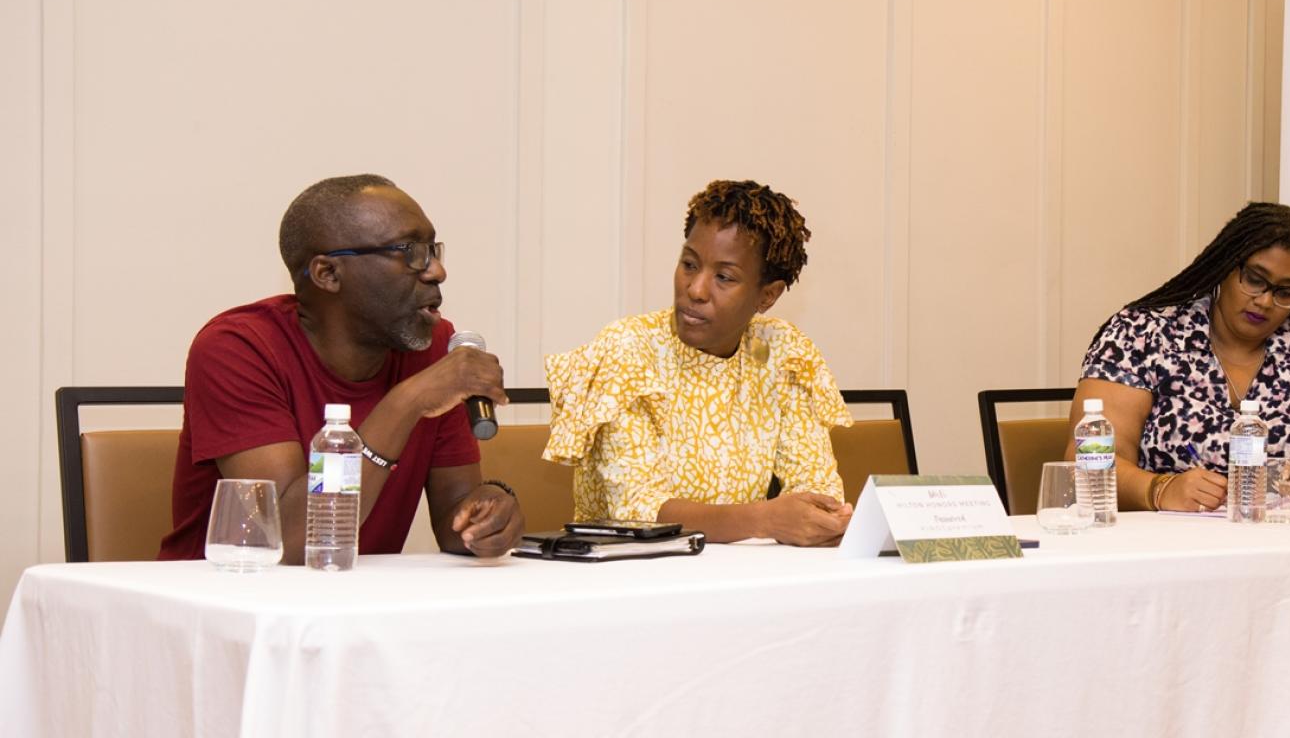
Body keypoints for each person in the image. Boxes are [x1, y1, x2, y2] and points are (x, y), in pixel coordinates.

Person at [159, 174, 525, 561]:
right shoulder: (238, 348)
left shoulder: (432, 346)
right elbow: (284, 541)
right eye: (410, 252)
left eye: (433, 250)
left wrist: (487, 515)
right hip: (224, 602)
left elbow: (455, 511)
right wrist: (410, 400)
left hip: (354, 603)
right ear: (328, 274)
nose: (436, 271)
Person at [544, 180, 853, 546]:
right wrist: (764, 519)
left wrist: (818, 518)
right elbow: (637, 509)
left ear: (767, 295)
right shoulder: (627, 351)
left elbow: (814, 485)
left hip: (741, 575)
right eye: (689, 264)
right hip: (629, 575)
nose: (696, 290)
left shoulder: (783, 353)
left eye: (724, 277)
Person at [1067, 202, 1290, 512]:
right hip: (1164, 541)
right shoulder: (1140, 334)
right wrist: (1160, 489)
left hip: (1285, 540)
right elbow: (1084, 464)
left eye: (1286, 292)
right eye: (1254, 280)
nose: (1264, 301)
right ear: (1225, 266)